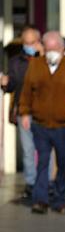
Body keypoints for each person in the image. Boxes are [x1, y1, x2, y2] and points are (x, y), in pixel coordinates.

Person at [19, 31, 65, 214]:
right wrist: (24, 113)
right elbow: (26, 91)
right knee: (42, 162)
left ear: (63, 48)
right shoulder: (36, 66)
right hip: (40, 124)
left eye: (55, 48)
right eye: (48, 48)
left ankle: (59, 198)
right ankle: (40, 199)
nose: (51, 52)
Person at [0, 26, 42, 199]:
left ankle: (45, 183)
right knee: (28, 149)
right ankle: (31, 184)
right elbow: (12, 85)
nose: (29, 45)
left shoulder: (47, 60)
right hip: (23, 110)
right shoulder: (16, 61)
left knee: (45, 149)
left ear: (38, 42)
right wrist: (5, 83)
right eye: (26, 42)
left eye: (32, 42)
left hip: (44, 112)